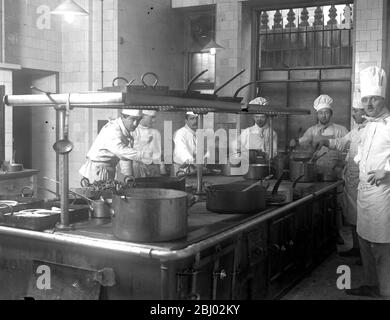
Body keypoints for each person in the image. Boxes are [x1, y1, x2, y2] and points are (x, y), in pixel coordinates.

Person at [345, 66, 390, 299]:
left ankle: (386, 290)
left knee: (382, 246)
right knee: (363, 240)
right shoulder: (367, 126)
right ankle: (371, 285)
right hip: (364, 193)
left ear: (382, 98)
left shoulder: (389, 124)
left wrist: (388, 171)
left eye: (374, 98)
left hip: (383, 194)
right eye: (365, 99)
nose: (369, 104)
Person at [314, 102, 367, 259]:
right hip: (351, 180)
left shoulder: (370, 131)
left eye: (356, 111)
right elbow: (341, 142)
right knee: (352, 217)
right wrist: (325, 141)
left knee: (362, 219)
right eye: (353, 111)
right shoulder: (356, 130)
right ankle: (357, 248)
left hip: (362, 183)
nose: (353, 114)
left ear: (365, 113)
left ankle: (365, 255)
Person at [79, 109, 152, 182]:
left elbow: (124, 157)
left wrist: (128, 175)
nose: (135, 123)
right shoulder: (113, 129)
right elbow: (121, 151)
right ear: (123, 117)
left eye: (138, 120)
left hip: (107, 169)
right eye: (132, 119)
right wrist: (145, 155)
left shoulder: (125, 130)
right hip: (98, 171)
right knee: (102, 192)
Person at [290, 94, 349, 178]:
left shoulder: (341, 130)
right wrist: (295, 142)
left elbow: (348, 148)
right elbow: (303, 141)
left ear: (331, 114)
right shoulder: (312, 131)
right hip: (317, 171)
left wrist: (342, 162)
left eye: (326, 112)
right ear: (317, 115)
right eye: (321, 113)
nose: (324, 116)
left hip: (336, 172)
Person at [232, 97, 278, 163]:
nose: (259, 119)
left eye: (262, 117)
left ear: (267, 117)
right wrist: (241, 151)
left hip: (264, 165)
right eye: (257, 117)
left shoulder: (272, 133)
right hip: (248, 165)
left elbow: (273, 151)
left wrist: (266, 155)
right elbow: (235, 144)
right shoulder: (248, 131)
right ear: (253, 117)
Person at [131, 110, 166, 178]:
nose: (154, 120)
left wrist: (162, 169)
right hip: (138, 168)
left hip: (154, 169)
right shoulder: (133, 132)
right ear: (143, 116)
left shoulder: (156, 132)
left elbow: (158, 154)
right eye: (152, 117)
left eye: (154, 117)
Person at [172, 112, 199, 177]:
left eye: (197, 118)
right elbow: (182, 150)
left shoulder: (198, 133)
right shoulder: (180, 133)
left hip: (193, 169)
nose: (195, 121)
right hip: (181, 169)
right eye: (192, 119)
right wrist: (194, 162)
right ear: (186, 121)